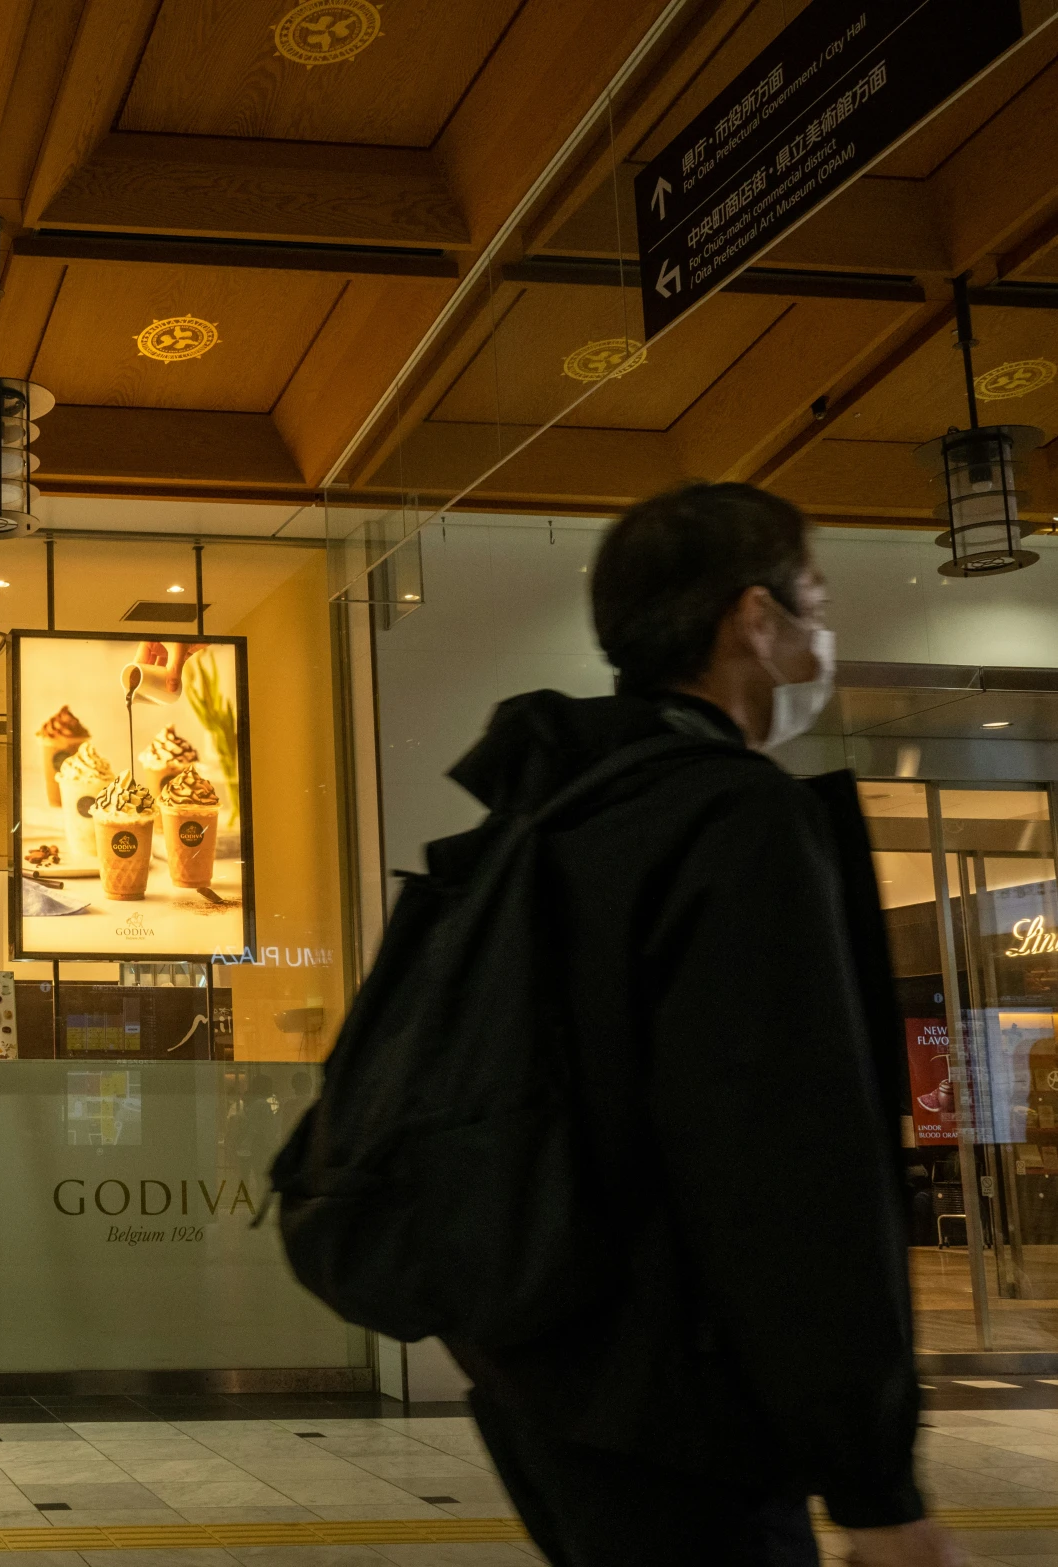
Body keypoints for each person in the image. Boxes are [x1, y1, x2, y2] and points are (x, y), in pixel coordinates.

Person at [438, 483, 958, 1567]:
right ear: (752, 620)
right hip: (682, 1406)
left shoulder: (546, 814)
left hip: (542, 1375)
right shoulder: (732, 818)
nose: (821, 632)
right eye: (811, 598)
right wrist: (875, 1484)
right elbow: (785, 1165)